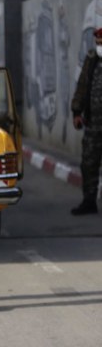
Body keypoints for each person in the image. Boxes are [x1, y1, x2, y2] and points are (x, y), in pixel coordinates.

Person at [70, 27, 102, 215]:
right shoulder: (92, 61)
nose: (99, 46)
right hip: (93, 124)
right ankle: (89, 201)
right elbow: (82, 86)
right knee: (88, 162)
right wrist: (77, 111)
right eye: (98, 42)